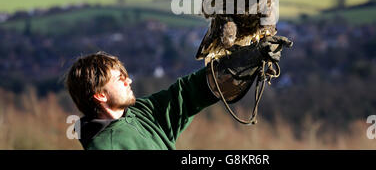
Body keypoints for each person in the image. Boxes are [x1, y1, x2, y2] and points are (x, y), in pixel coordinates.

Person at [65, 35, 292, 150]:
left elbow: (187, 94)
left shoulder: (139, 113)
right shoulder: (107, 145)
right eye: (120, 79)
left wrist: (248, 60)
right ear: (100, 95)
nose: (129, 80)